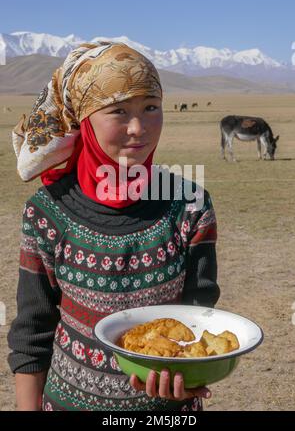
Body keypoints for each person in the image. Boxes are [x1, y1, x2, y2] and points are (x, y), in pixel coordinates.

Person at [7, 41, 220, 411]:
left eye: (151, 108)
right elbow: (32, 331)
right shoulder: (47, 212)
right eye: (118, 111)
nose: (138, 128)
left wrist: (188, 379)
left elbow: (198, 322)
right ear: (84, 120)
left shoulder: (191, 206)